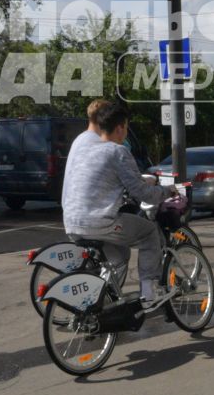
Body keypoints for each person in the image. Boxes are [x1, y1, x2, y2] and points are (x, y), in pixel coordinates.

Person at [61, 98, 170, 312]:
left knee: (119, 255)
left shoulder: (83, 146)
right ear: (120, 128)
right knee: (149, 233)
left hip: (72, 222)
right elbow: (143, 194)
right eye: (127, 127)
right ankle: (149, 293)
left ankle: (99, 303)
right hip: (99, 222)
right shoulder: (118, 151)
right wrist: (167, 192)